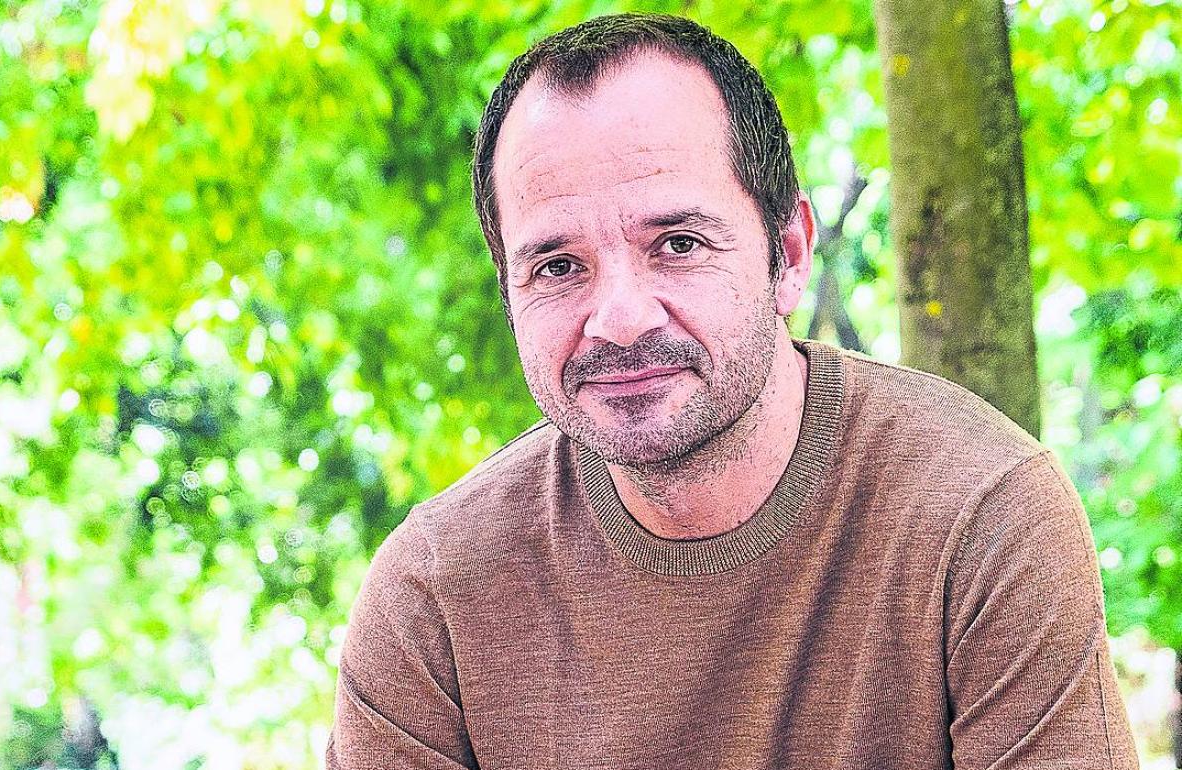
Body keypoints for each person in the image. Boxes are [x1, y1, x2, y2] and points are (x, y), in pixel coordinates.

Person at [326, 13, 1139, 769]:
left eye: (678, 243)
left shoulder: (981, 514)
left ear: (789, 254)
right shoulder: (435, 596)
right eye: (558, 266)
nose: (620, 318)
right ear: (509, 295)